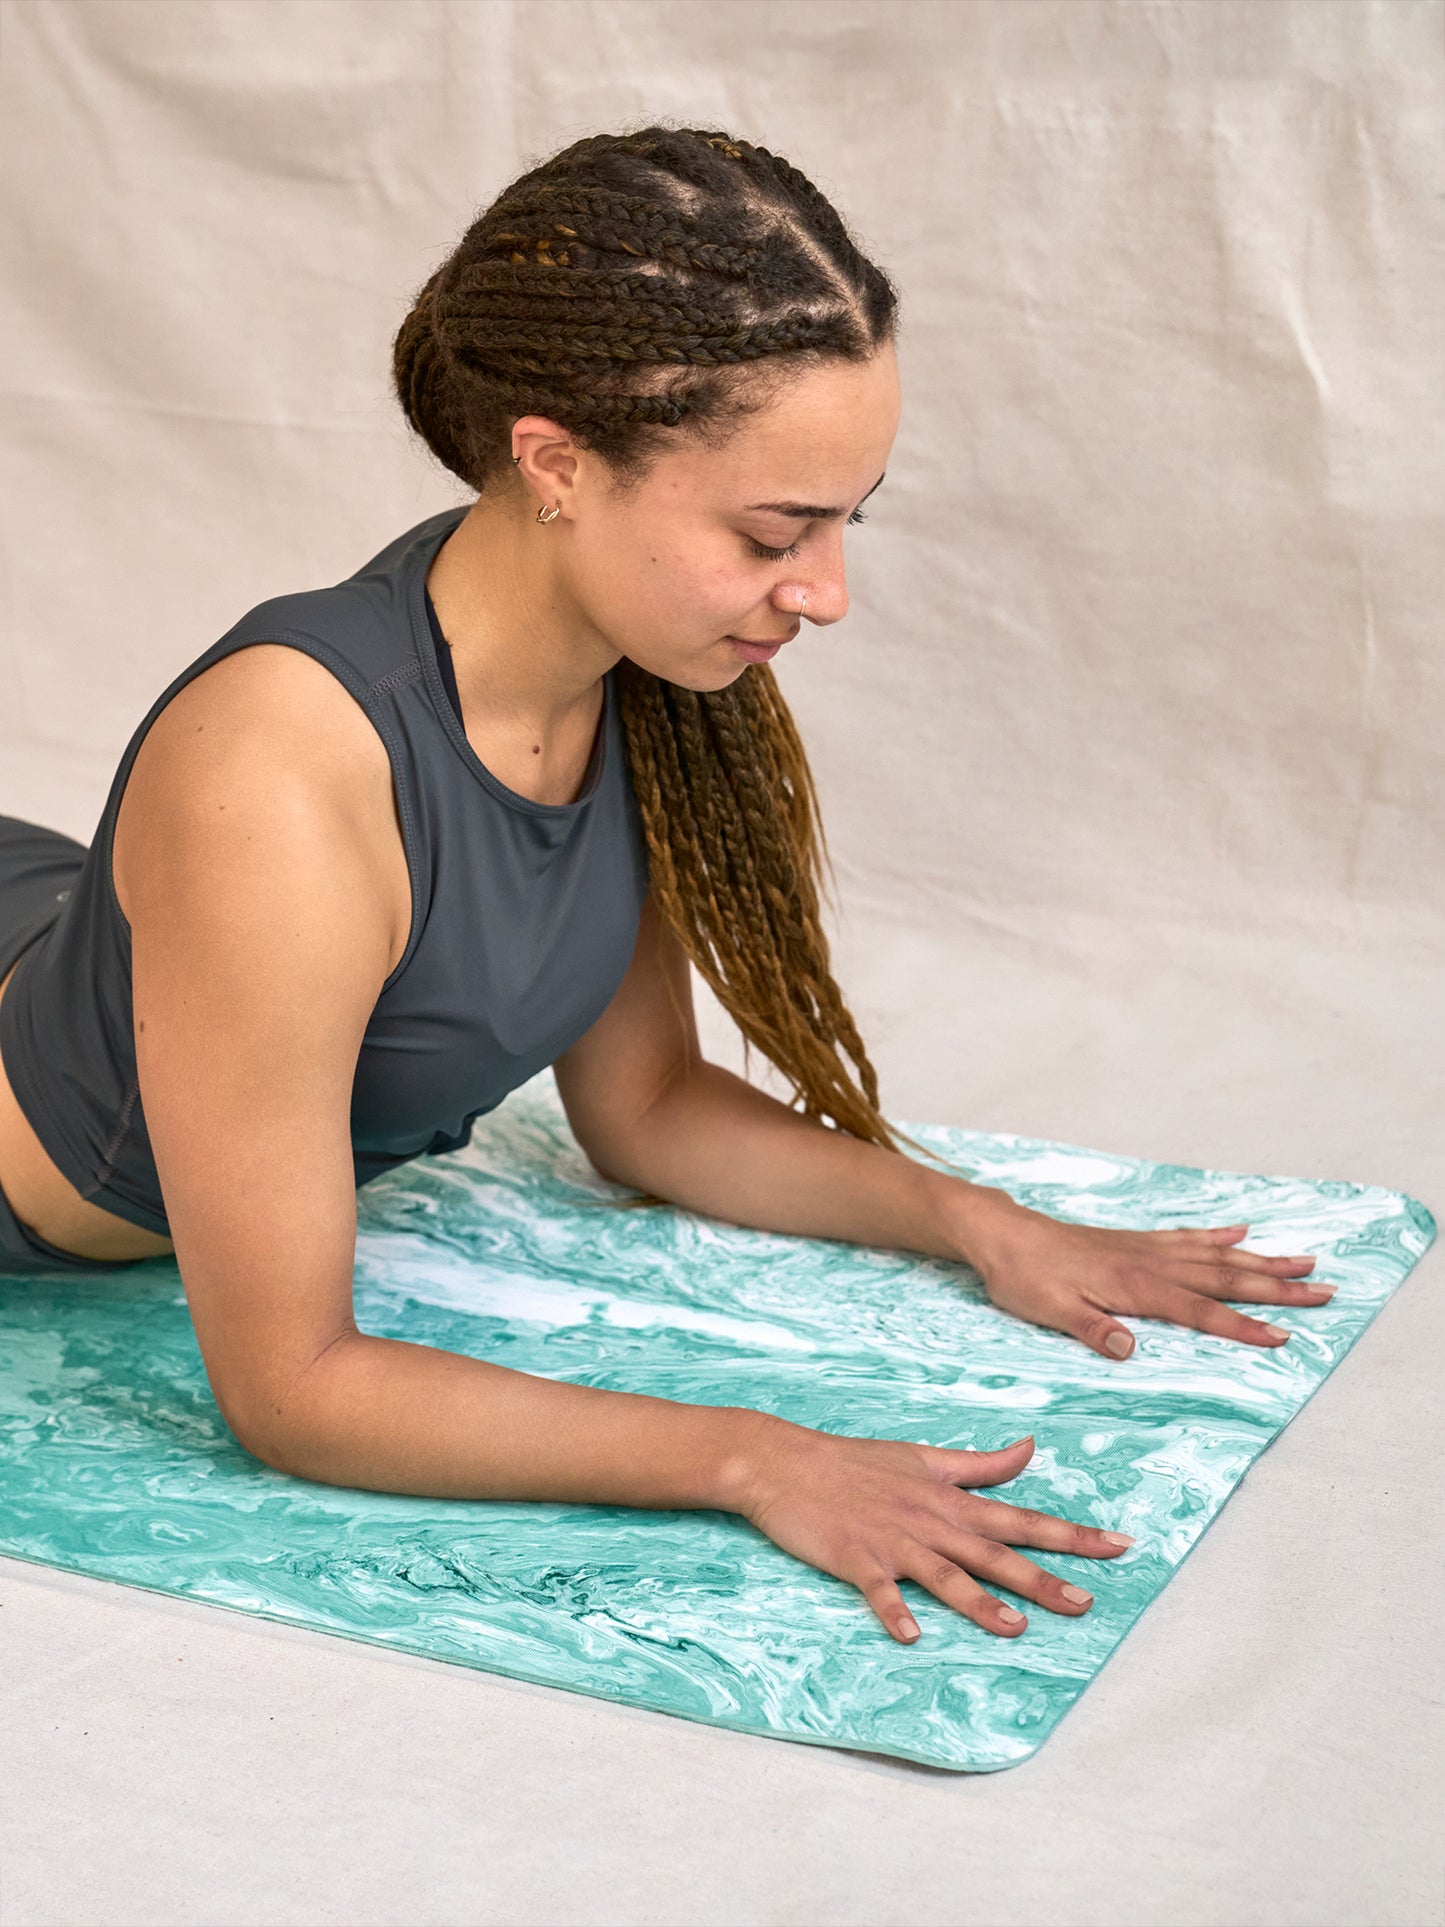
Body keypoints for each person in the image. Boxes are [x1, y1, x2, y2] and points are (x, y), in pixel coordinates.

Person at [0, 126, 1334, 1647]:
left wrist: (978, 1223)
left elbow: (646, 1112)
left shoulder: (632, 681)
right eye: (776, 531)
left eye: (847, 518)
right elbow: (293, 1390)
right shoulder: (280, 776)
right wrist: (753, 1457)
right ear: (555, 463)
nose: (827, 590)